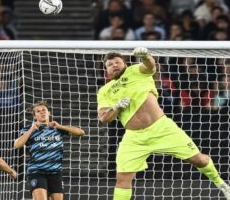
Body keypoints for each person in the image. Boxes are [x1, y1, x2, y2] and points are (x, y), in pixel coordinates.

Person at [97, 47, 230, 200]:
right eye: (110, 64)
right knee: (122, 178)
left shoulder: (135, 71)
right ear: (106, 70)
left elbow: (150, 66)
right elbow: (103, 118)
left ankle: (222, 185)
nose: (114, 65)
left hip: (162, 128)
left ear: (124, 64)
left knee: (198, 159)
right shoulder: (104, 91)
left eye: (117, 62)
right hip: (134, 138)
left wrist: (145, 55)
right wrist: (116, 106)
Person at [14, 101, 85, 200]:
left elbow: (81, 132)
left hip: (55, 172)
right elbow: (17, 145)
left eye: (44, 110)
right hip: (37, 171)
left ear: (49, 112)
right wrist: (31, 129)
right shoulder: (28, 129)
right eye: (38, 111)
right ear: (35, 116)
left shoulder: (57, 128)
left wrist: (60, 126)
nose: (42, 112)